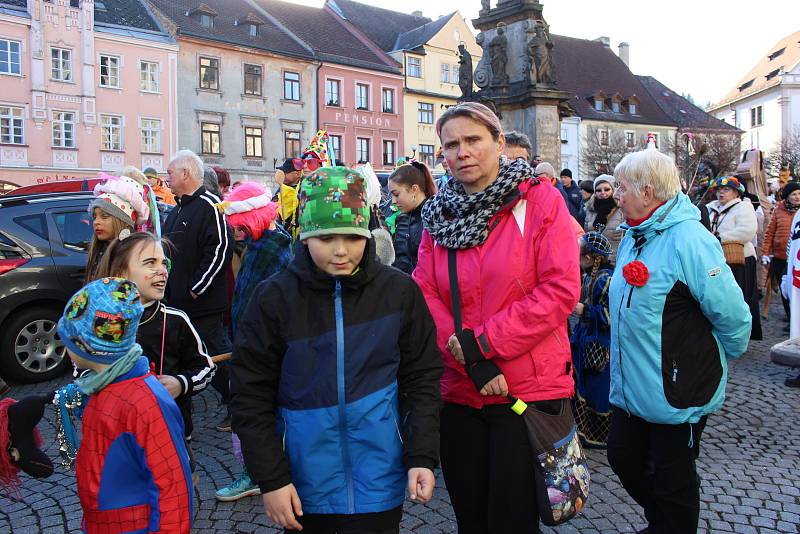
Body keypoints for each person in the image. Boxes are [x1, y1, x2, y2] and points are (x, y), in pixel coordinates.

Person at [230, 166, 442, 533]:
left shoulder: (399, 293)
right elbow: (250, 393)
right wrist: (271, 478)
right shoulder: (275, 298)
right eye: (326, 237)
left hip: (379, 478)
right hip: (302, 483)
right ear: (305, 236)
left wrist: (421, 454)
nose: (341, 251)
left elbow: (422, 379)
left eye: (352, 237)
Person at [413, 102, 580, 533]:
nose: (462, 152)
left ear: (498, 143)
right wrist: (470, 359)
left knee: (512, 519)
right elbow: (426, 295)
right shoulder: (438, 215)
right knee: (471, 516)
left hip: (525, 392)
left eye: (473, 140)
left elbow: (559, 290)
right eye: (451, 144)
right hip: (460, 391)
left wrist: (485, 343)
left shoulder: (540, 201)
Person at [607, 149, 751, 534]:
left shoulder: (691, 239)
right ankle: (666, 522)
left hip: (677, 387)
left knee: (674, 479)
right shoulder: (633, 234)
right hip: (632, 384)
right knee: (623, 457)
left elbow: (731, 310)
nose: (616, 195)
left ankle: (671, 525)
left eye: (621, 187)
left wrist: (726, 353)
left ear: (648, 191)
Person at [56, 278, 194, 532]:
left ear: (89, 346)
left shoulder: (144, 402)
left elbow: (172, 488)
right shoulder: (101, 386)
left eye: (68, 338)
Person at [96, 232, 216, 447]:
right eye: (150, 263)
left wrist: (181, 383)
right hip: (121, 439)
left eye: (164, 263)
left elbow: (206, 367)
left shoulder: (176, 320)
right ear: (121, 272)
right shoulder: (104, 321)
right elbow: (83, 373)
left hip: (173, 435)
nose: (162, 271)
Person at [213, 182, 293, 502]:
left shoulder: (273, 249)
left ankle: (257, 473)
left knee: (255, 411)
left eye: (240, 226)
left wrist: (249, 342)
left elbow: (266, 303)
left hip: (260, 345)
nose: (236, 233)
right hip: (251, 341)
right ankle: (259, 471)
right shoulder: (262, 245)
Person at [164, 149, 233, 431]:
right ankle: (182, 413)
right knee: (185, 360)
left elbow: (219, 249)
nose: (166, 178)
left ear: (185, 173)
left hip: (202, 304)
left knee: (216, 357)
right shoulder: (178, 208)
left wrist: (196, 288)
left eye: (170, 172)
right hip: (178, 304)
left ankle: (240, 403)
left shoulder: (210, 204)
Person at [571, 232, 614, 448]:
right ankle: (584, 431)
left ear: (589, 258)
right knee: (584, 384)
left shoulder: (606, 280)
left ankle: (600, 435)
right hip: (585, 338)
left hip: (600, 343)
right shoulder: (589, 276)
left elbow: (611, 316)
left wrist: (584, 309)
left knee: (598, 388)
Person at [707, 176, 762, 340]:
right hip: (717, 260)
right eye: (718, 190)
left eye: (726, 190)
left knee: (739, 299)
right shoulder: (710, 209)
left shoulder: (743, 208)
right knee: (720, 299)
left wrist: (718, 237)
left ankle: (740, 335)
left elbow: (747, 231)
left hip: (740, 260)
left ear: (735, 192)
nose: (721, 193)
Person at [85, 174, 149, 282]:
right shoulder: (98, 252)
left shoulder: (136, 254)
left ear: (123, 221)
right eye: (94, 216)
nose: (96, 222)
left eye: (104, 216)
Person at [388, 161, 437, 274]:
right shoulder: (401, 218)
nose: (393, 201)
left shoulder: (435, 217)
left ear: (414, 189)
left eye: (396, 194)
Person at [762, 181, 800, 319]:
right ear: (787, 196)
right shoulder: (778, 211)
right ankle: (790, 318)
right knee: (785, 290)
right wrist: (765, 253)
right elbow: (769, 233)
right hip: (781, 257)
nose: (797, 197)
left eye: (799, 194)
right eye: (794, 194)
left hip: (797, 259)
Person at [584, 174, 625, 264]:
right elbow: (586, 234)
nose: (603, 193)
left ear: (613, 190)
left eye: (606, 189)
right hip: (594, 262)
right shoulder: (590, 210)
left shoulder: (622, 209)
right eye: (598, 190)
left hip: (615, 261)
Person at [273, 158, 305, 239]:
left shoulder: (305, 189)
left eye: (285, 172)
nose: (282, 174)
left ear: (297, 174)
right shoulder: (282, 188)